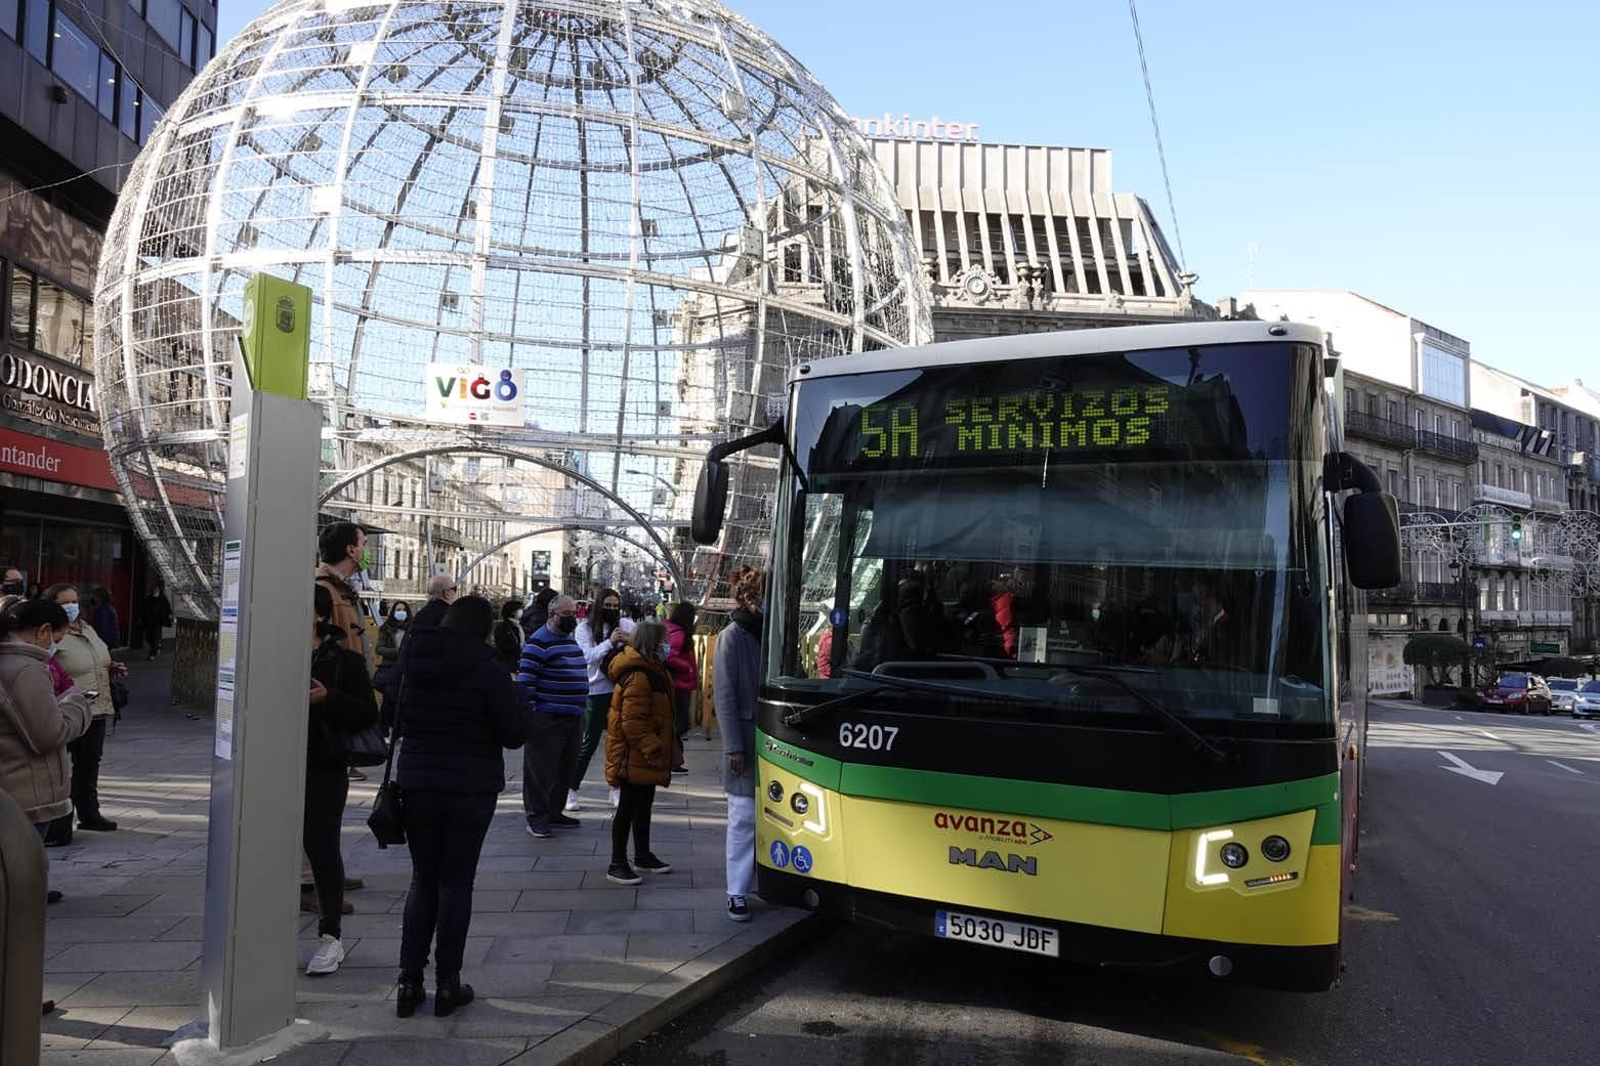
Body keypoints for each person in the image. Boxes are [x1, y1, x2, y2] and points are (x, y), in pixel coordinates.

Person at [394, 595, 524, 1018]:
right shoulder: (488, 671)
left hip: (416, 783)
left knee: (422, 881)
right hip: (469, 788)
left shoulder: (414, 662)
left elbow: (393, 720)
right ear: (484, 628)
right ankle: (448, 983)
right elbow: (513, 734)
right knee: (455, 883)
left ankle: (408, 981)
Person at [0, 597, 92, 1015]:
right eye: (56, 635)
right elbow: (48, 735)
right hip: (25, 799)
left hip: (9, 796)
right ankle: (15, 994)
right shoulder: (26, 668)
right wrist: (77, 704)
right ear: (41, 632)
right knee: (17, 906)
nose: (55, 643)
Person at [303, 584, 379, 977]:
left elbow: (367, 712)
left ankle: (330, 937)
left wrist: (328, 699)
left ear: (318, 616)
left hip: (323, 765)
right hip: (270, 766)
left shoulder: (343, 660)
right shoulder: (264, 654)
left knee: (322, 849)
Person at [603, 621, 678, 885]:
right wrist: (652, 747)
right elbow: (632, 722)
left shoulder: (654, 670)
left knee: (643, 804)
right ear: (652, 644)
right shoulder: (638, 675)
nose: (667, 646)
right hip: (633, 755)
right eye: (663, 641)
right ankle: (617, 862)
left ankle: (642, 855)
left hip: (644, 756)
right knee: (627, 807)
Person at [44, 584, 120, 840]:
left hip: (96, 708)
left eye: (75, 600)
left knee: (89, 765)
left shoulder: (87, 628)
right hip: (65, 710)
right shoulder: (51, 634)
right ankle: (59, 822)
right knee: (60, 768)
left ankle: (90, 814)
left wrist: (111, 667)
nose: (72, 606)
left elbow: (99, 659)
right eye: (65, 602)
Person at [714, 566, 764, 922]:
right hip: (745, 741)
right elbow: (725, 695)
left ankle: (758, 881)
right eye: (762, 595)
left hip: (770, 739)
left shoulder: (770, 632)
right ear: (749, 598)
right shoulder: (732, 636)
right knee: (743, 817)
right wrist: (733, 745)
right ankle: (736, 891)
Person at [516, 595, 587, 838]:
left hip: (573, 716)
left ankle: (554, 812)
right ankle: (536, 817)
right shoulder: (538, 642)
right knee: (540, 771)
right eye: (566, 614)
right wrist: (536, 714)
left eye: (574, 613)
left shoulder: (569, 640)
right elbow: (526, 683)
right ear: (552, 615)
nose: (572, 618)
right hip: (548, 717)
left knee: (565, 769)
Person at [568, 587, 634, 813]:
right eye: (607, 606)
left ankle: (616, 786)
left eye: (616, 606)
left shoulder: (626, 625)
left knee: (620, 741)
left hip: (621, 689)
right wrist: (609, 643)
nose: (612, 610)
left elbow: (646, 648)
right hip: (595, 691)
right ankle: (571, 788)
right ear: (598, 606)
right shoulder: (584, 629)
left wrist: (630, 641)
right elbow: (585, 657)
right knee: (589, 741)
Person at [315, 522, 370, 658]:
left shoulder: (344, 590)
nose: (368, 551)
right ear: (352, 550)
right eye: (364, 545)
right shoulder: (321, 591)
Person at [663, 602, 699, 773]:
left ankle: (674, 760)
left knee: (677, 723)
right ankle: (673, 760)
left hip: (676, 684)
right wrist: (687, 668)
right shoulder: (680, 634)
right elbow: (670, 656)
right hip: (680, 684)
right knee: (680, 724)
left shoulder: (671, 630)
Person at [141, 581, 172, 661]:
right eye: (154, 589)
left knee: (155, 637)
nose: (155, 590)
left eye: (156, 589)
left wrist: (168, 617)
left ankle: (152, 654)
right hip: (149, 621)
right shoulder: (148, 599)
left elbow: (167, 609)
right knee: (148, 637)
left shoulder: (162, 599)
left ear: (159, 590)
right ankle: (156, 646)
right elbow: (143, 609)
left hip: (158, 622)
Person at [492, 600, 524, 675]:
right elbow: (504, 646)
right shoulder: (504, 628)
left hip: (516, 663)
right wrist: (517, 648)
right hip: (508, 665)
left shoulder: (518, 626)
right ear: (513, 612)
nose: (522, 611)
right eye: (520, 609)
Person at [377, 601, 411, 669]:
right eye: (398, 610)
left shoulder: (412, 628)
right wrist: (397, 652)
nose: (401, 612)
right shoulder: (386, 628)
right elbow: (379, 649)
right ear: (393, 612)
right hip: (389, 666)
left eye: (404, 610)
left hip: (407, 667)